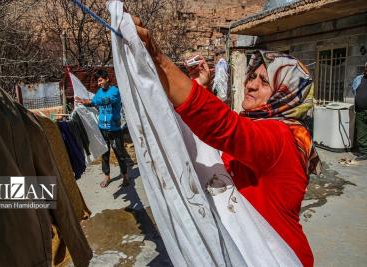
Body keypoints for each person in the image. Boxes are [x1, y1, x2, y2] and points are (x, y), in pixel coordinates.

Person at [133, 17, 320, 267]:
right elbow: (226, 137)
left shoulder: (281, 137)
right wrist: (202, 87)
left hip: (275, 255)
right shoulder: (265, 126)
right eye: (252, 76)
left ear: (286, 94)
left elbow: (225, 128)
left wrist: (158, 60)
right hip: (253, 249)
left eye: (265, 82)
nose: (250, 85)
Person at [75, 69, 129, 187]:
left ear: (107, 79)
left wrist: (89, 101)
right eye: (98, 81)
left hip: (114, 129)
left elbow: (104, 101)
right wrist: (82, 102)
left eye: (100, 80)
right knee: (104, 153)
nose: (99, 83)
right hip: (102, 129)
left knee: (119, 154)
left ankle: (125, 175)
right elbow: (93, 102)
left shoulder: (115, 91)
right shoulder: (99, 92)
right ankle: (107, 176)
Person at [352, 62, 367, 160]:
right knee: (361, 133)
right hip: (360, 111)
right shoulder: (359, 78)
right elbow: (354, 90)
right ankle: (364, 152)